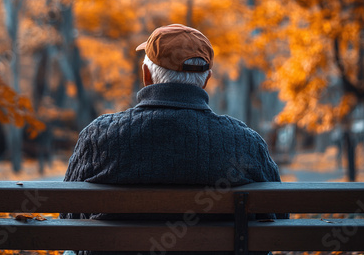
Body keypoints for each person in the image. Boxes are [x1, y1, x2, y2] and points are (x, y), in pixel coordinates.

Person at [61, 23, 286, 255]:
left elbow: (69, 216)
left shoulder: (99, 136)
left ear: (146, 75)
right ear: (206, 79)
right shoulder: (245, 142)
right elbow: (277, 217)